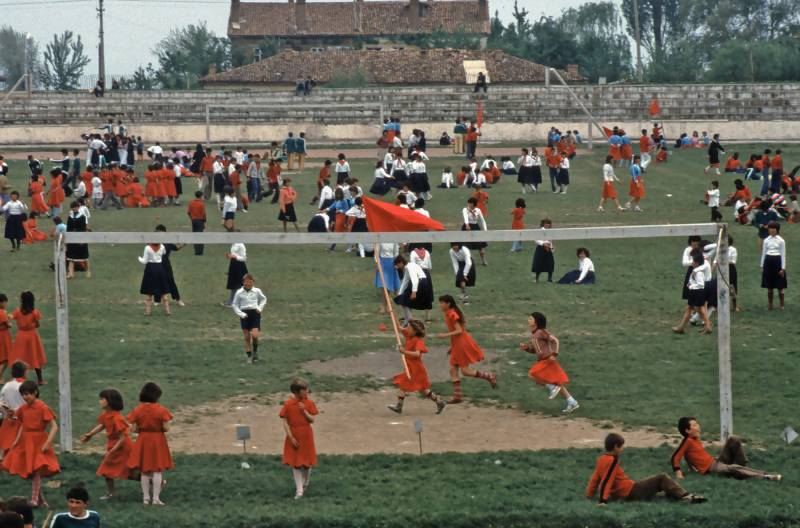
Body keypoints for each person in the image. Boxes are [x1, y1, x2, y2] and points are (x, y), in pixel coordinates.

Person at [586, 433, 706, 505]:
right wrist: (603, 501)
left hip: (623, 494)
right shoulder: (612, 460)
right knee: (661, 478)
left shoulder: (601, 459)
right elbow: (607, 480)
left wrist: (589, 495)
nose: (622, 449)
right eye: (621, 447)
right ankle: (686, 496)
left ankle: (677, 498)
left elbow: (595, 479)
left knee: (661, 493)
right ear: (616, 447)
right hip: (630, 491)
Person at [2, 380, 59, 508]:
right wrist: (16, 441)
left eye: (27, 394)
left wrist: (47, 443)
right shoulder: (23, 408)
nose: (25, 397)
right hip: (26, 442)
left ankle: (34, 500)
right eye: (23, 394)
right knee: (31, 472)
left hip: (38, 441)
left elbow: (54, 426)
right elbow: (21, 424)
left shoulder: (43, 407)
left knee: (37, 469)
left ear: (35, 393)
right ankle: (41, 501)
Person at [672, 417, 781, 482]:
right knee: (733, 468)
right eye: (695, 425)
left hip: (716, 462)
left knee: (733, 440)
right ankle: (766, 476)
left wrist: (691, 468)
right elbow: (675, 457)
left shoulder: (695, 439)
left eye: (697, 423)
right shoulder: (687, 441)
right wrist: (678, 473)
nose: (698, 426)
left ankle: (743, 468)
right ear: (687, 430)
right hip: (711, 469)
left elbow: (690, 455)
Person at [434, 295, 496, 403]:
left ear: (448, 304)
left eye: (442, 303)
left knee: (465, 371)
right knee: (453, 370)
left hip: (461, 344)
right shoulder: (449, 313)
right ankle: (457, 397)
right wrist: (452, 346)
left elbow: (459, 331)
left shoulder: (452, 314)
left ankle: (489, 376)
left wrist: (444, 335)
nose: (440, 305)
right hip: (457, 344)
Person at [79, 389, 133, 500]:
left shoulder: (117, 418)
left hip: (122, 447)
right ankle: (111, 493)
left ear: (110, 401)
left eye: (102, 399)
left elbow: (123, 437)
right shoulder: (106, 415)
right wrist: (90, 434)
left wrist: (113, 450)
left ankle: (154, 482)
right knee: (106, 470)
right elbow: (102, 425)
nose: (100, 401)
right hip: (113, 445)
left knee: (128, 472)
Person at [521, 311, 579, 413]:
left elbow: (555, 340)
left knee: (532, 374)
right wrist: (526, 348)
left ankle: (552, 387)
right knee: (558, 383)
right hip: (543, 360)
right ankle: (572, 402)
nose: (528, 320)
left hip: (547, 360)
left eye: (531, 318)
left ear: (536, 322)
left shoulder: (541, 332)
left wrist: (554, 354)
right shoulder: (533, 335)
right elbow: (535, 351)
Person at [127, 382, 173, 506]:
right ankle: (156, 498)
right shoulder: (161, 410)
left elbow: (134, 429)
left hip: (143, 439)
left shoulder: (137, 410)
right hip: (157, 439)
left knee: (145, 471)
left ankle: (146, 498)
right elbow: (166, 427)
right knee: (157, 469)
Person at [387, 320, 446, 415]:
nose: (406, 329)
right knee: (423, 390)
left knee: (405, 385)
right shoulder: (408, 334)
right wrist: (392, 314)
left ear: (414, 331)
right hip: (411, 368)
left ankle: (399, 406)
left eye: (409, 328)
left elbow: (417, 354)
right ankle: (439, 402)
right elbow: (398, 327)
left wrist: (404, 351)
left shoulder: (418, 340)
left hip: (416, 369)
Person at [280, 378, 318, 500]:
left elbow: (312, 420)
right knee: (295, 464)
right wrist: (290, 437)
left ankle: (305, 482)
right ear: (297, 392)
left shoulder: (308, 403)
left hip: (306, 435)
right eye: (305, 390)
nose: (307, 391)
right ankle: (299, 490)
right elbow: (285, 421)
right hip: (294, 434)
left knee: (306, 464)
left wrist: (304, 411)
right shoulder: (288, 404)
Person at [9, 292, 46, 385]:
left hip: (21, 336)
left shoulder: (18, 311)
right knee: (35, 357)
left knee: (19, 356)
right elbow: (37, 324)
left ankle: (16, 378)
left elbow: (11, 317)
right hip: (32, 336)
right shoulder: (35, 312)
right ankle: (40, 379)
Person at [672, 253, 713, 334]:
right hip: (694, 292)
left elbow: (701, 284)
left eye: (693, 261)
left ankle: (708, 326)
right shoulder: (696, 270)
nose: (692, 263)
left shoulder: (698, 272)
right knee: (690, 309)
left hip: (697, 292)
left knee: (699, 309)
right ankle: (681, 327)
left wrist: (691, 285)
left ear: (697, 263)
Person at [231, 273, 267, 364]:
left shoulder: (257, 291)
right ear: (243, 282)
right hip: (245, 315)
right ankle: (249, 356)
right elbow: (234, 304)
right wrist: (241, 314)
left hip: (254, 314)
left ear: (253, 282)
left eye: (250, 282)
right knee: (247, 337)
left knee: (255, 335)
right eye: (246, 282)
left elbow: (263, 299)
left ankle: (255, 351)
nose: (248, 284)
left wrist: (259, 308)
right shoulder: (239, 292)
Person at [393, 255, 433, 324]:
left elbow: (415, 279)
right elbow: (405, 281)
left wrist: (414, 292)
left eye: (398, 265)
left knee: (404, 301)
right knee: (404, 301)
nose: (398, 267)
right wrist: (400, 294)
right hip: (422, 283)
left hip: (421, 283)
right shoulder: (408, 267)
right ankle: (407, 321)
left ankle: (409, 321)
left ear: (401, 262)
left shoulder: (410, 266)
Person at [153, 225, 184, 307]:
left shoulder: (168, 242)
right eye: (156, 232)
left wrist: (185, 243)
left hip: (166, 266)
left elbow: (177, 248)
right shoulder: (154, 242)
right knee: (157, 282)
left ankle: (178, 299)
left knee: (171, 282)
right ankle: (157, 300)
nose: (157, 233)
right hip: (156, 265)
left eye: (159, 231)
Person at [0, 361, 28, 453]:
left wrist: (6, 415)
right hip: (23, 421)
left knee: (8, 447)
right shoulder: (25, 386)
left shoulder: (6, 385)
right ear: (23, 372)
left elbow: (1, 404)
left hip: (9, 421)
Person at [138, 243, 171, 316]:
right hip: (160, 268)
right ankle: (168, 311)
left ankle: (148, 312)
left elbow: (144, 261)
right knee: (163, 290)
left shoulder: (147, 248)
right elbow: (164, 252)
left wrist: (139, 258)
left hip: (150, 269)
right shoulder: (162, 246)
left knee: (149, 292)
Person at [760, 221, 786, 310]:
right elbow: (763, 253)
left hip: (778, 262)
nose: (771, 231)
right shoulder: (766, 240)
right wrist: (762, 265)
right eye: (770, 229)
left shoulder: (781, 240)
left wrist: (783, 268)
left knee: (780, 285)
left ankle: (782, 304)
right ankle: (770, 304)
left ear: (777, 230)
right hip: (768, 262)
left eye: (773, 229)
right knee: (769, 286)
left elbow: (783, 254)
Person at [65, 202, 91, 279]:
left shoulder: (82, 216)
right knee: (71, 257)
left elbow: (83, 229)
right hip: (72, 238)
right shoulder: (70, 217)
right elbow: (68, 229)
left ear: (78, 207)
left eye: (75, 207)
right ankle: (71, 273)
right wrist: (67, 240)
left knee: (84, 257)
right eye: (73, 207)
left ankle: (88, 271)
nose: (74, 208)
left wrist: (82, 239)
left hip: (80, 238)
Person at [374, 243, 400, 314]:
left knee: (388, 286)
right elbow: (376, 253)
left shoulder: (394, 240)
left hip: (391, 263)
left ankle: (388, 305)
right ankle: (383, 306)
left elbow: (396, 253)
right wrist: (377, 264)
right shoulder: (380, 240)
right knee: (383, 286)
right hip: (382, 263)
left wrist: (396, 263)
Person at [461, 197, 488, 266]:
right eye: (468, 203)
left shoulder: (478, 210)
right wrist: (467, 225)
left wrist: (485, 230)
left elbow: (482, 220)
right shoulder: (465, 209)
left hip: (475, 227)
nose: (469, 204)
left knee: (480, 246)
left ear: (474, 204)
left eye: (471, 203)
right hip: (467, 228)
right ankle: (467, 261)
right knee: (466, 246)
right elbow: (465, 217)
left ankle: (483, 260)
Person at [224, 241, 248, 307]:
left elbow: (244, 258)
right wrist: (230, 256)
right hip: (233, 264)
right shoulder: (233, 243)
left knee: (238, 284)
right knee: (233, 284)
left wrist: (234, 257)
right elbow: (234, 254)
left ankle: (235, 302)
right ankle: (231, 301)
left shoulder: (241, 244)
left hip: (239, 265)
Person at [532, 218, 555, 283]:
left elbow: (550, 241)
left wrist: (552, 247)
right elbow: (536, 240)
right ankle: (536, 278)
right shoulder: (539, 231)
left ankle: (549, 279)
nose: (547, 225)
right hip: (540, 249)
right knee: (538, 263)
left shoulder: (550, 231)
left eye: (548, 223)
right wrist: (543, 243)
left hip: (548, 249)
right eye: (546, 223)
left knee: (550, 264)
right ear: (543, 224)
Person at [187, 190, 206, 256]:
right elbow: (203, 214)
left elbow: (188, 212)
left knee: (194, 235)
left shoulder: (191, 202)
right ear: (200, 196)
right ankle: (200, 251)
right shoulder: (201, 204)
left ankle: (196, 250)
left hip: (194, 221)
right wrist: (204, 222)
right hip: (200, 221)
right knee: (200, 236)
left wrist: (192, 218)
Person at [0, 295, 11, 379]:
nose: (6, 304)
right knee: (6, 358)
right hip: (3, 336)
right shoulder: (2, 313)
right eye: (5, 302)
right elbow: (8, 324)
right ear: (2, 302)